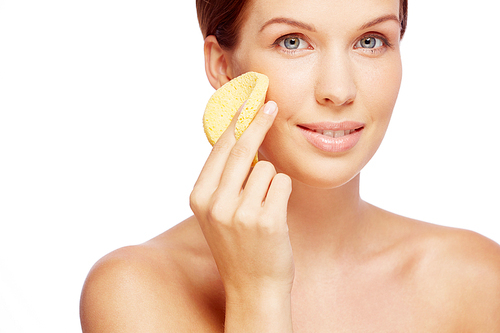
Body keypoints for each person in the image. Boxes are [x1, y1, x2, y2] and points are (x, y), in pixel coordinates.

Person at [80, 0, 500, 331]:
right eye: (293, 41)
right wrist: (257, 297)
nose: (338, 90)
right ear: (223, 66)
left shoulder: (477, 279)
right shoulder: (137, 290)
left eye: (371, 40)